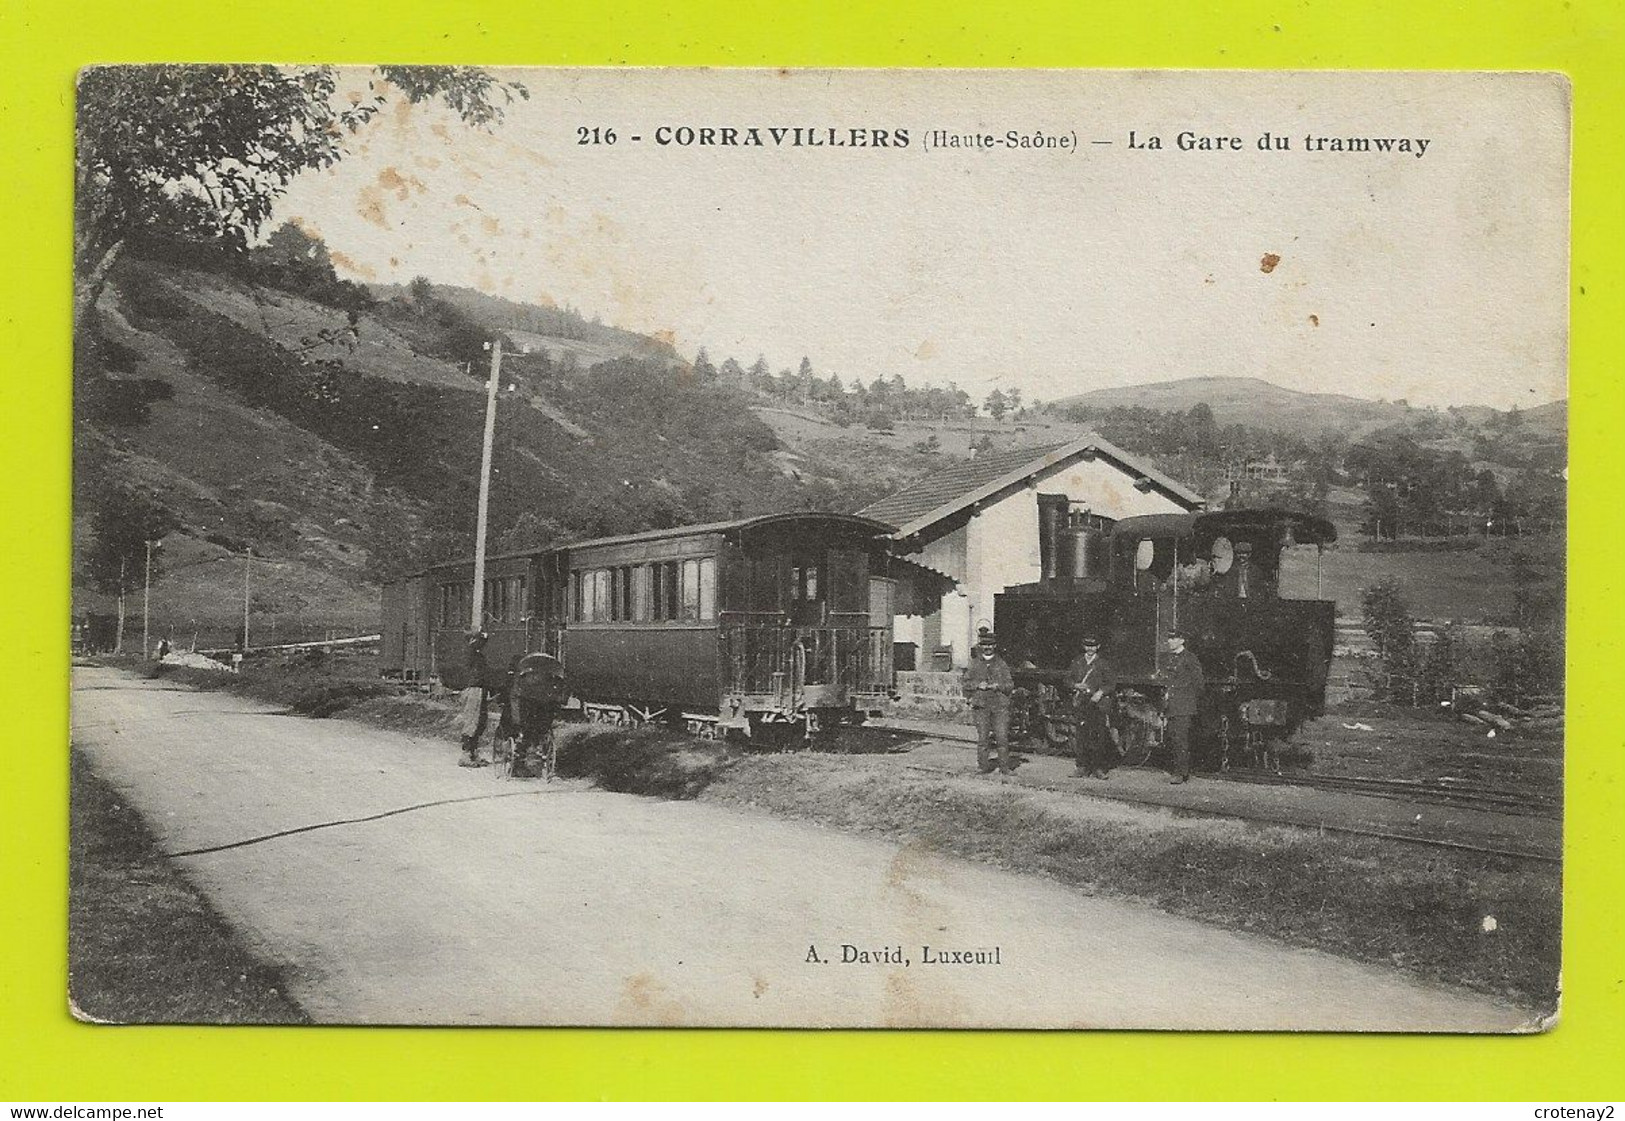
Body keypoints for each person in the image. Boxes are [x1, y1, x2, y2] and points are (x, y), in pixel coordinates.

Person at [1155, 627, 1205, 783]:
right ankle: (1178, 770)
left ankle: (1181, 773)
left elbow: (1199, 684)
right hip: (1171, 705)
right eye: (1169, 638)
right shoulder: (1169, 658)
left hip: (1183, 705)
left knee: (1181, 739)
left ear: (1182, 640)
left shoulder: (1190, 658)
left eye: (1174, 638)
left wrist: (1186, 698)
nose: (1170, 641)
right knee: (1173, 738)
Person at [963, 627, 1015, 775]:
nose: (987, 648)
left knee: (1002, 737)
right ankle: (983, 767)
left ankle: (1005, 767)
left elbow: (1010, 685)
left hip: (999, 706)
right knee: (983, 738)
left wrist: (998, 685)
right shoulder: (974, 664)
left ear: (995, 646)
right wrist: (978, 685)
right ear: (981, 646)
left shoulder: (1001, 664)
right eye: (985, 645)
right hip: (981, 705)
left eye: (990, 645)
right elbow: (966, 684)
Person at [1065, 634, 1116, 779]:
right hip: (1082, 702)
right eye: (1087, 646)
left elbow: (1111, 683)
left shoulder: (1103, 664)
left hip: (1097, 704)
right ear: (1084, 646)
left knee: (1098, 735)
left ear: (1098, 647)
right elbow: (1067, 679)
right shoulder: (1077, 662)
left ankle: (1098, 768)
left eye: (1093, 646)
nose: (1090, 649)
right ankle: (1082, 767)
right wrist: (1075, 685)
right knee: (1081, 736)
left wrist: (1101, 692)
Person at [457, 631, 492, 768]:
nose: (483, 644)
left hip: (479, 689)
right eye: (480, 641)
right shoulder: (470, 653)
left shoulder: (477, 655)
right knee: (472, 721)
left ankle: (473, 753)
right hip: (474, 689)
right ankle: (466, 755)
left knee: (480, 722)